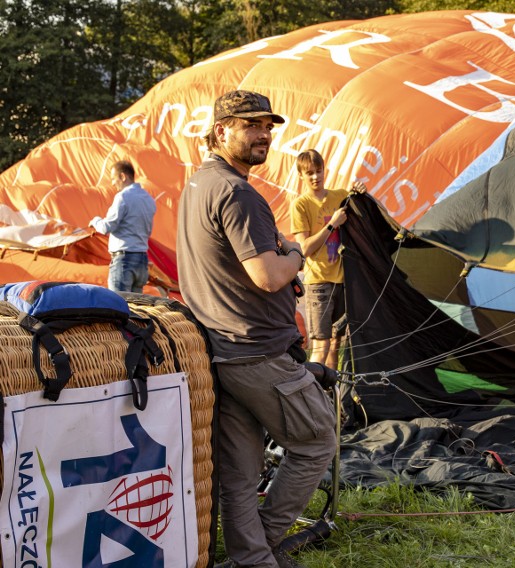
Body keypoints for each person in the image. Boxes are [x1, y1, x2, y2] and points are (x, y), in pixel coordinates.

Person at [177, 90, 336, 568]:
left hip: (219, 349)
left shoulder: (198, 183)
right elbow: (268, 276)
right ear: (221, 129)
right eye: (250, 125)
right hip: (256, 351)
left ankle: (252, 558)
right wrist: (295, 253)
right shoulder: (238, 192)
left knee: (241, 472)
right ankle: (261, 546)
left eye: (268, 126)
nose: (263, 134)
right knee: (317, 440)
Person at [290, 149, 366, 368]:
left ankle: (331, 397)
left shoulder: (339, 196)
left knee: (336, 344)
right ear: (301, 176)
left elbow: (363, 209)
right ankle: (313, 398)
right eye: (310, 173)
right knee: (320, 347)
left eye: (319, 171)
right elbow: (304, 249)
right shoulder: (300, 205)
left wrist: (361, 191)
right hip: (319, 284)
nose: (316, 177)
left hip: (343, 282)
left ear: (325, 170)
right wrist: (332, 224)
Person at [89, 160, 156, 292]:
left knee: (118, 306)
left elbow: (106, 227)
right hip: (142, 261)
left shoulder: (123, 197)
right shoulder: (149, 199)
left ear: (123, 177)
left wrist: (95, 221)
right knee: (135, 308)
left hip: (124, 261)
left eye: (114, 179)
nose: (113, 183)